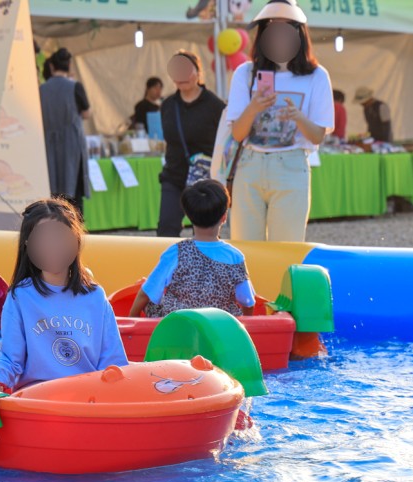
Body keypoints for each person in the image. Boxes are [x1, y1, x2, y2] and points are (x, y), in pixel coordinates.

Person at [0, 198, 128, 392]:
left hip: (89, 399)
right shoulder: (20, 297)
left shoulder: (95, 296)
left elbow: (113, 362)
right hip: (38, 399)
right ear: (28, 245)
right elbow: (11, 360)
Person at [226, 0, 333, 242]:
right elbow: (238, 133)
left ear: (299, 32)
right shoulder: (245, 72)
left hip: (292, 164)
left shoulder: (316, 75)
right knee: (245, 248)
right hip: (249, 165)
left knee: (286, 246)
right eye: (272, 27)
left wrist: (298, 117)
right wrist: (254, 107)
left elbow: (318, 135)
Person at [130, 180, 255, 318]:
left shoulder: (176, 252)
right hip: (218, 324)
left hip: (180, 325)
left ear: (189, 216)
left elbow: (145, 294)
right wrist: (245, 324)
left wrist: (131, 322)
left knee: (149, 289)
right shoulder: (235, 256)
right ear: (224, 217)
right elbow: (248, 302)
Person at [158, 50, 226, 237]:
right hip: (175, 176)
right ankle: (171, 266)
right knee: (166, 228)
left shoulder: (215, 106)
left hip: (206, 180)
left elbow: (226, 143)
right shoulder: (168, 105)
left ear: (198, 72)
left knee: (208, 233)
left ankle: (210, 265)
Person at [39, 48, 91, 217]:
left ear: (52, 66)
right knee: (73, 194)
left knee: (52, 192)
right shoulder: (75, 86)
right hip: (72, 145)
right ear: (69, 65)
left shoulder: (41, 89)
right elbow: (86, 113)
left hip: (48, 144)